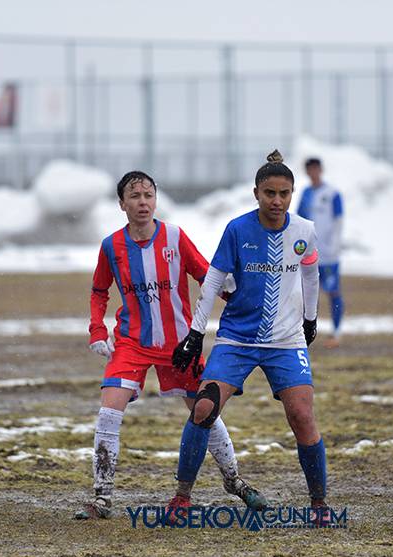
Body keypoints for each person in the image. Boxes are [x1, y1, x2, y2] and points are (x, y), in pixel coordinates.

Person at [78, 170, 268, 520]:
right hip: (132, 342)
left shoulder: (175, 237)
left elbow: (206, 275)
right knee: (108, 412)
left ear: (156, 199)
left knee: (203, 411)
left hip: (180, 345)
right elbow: (99, 290)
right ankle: (102, 497)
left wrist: (238, 297)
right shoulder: (112, 246)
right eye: (134, 196)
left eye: (148, 195)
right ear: (122, 204)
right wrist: (96, 330)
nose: (143, 202)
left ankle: (234, 480)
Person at [168, 150, 329, 522]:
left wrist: (310, 318)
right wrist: (195, 332)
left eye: (284, 194)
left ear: (292, 195)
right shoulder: (237, 230)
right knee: (204, 407)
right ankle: (181, 498)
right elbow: (211, 281)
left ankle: (319, 504)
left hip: (286, 340)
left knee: (302, 415)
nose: (277, 201)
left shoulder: (304, 231)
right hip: (237, 338)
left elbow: (310, 274)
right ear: (256, 193)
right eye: (269, 193)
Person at [297, 157, 345, 347]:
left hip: (329, 254)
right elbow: (299, 221)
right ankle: (307, 332)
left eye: (316, 169)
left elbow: (339, 221)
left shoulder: (332, 193)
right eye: (310, 169)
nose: (313, 172)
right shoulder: (306, 193)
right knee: (308, 293)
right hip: (310, 254)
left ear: (321, 170)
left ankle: (336, 332)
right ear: (307, 171)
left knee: (333, 292)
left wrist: (335, 245)